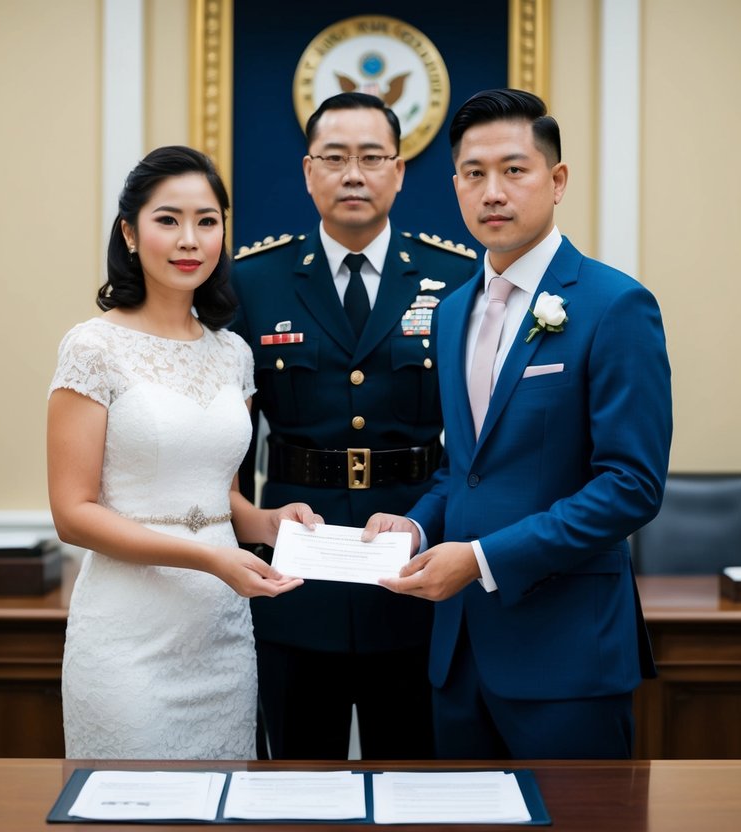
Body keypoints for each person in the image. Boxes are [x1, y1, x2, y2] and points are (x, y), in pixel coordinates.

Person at [362, 89, 672, 759]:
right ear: (454, 185)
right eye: (473, 174)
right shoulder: (450, 312)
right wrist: (415, 523)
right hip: (457, 654)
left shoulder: (614, 305)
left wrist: (478, 560)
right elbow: (464, 469)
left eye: (514, 169)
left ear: (556, 181)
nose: (492, 191)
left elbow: (630, 485)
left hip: (565, 656)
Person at [46, 146, 321, 760]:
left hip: (221, 636)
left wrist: (269, 523)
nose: (189, 239)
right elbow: (73, 512)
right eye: (168, 219)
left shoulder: (233, 353)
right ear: (130, 231)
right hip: (128, 637)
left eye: (207, 220)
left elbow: (216, 495)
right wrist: (208, 559)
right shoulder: (92, 347)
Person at [229, 92, 478, 759]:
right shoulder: (252, 282)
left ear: (398, 172)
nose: (353, 175)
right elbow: (229, 441)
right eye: (334, 158)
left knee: (415, 777)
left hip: (413, 566)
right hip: (293, 572)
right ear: (308, 171)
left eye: (371, 158)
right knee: (297, 781)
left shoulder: (456, 278)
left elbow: (475, 442)